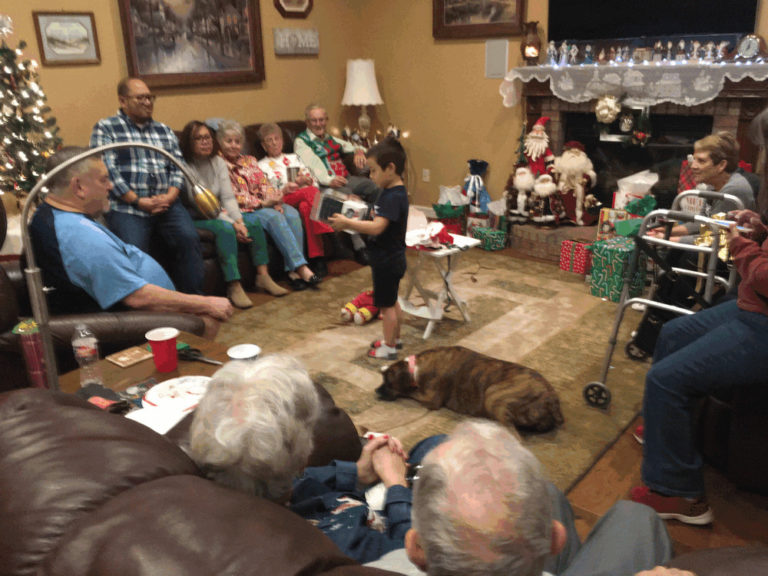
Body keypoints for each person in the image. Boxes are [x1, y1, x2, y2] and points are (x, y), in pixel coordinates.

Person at [630, 115, 768, 526]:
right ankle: (670, 435)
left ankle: (680, 493)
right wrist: (760, 231)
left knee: (663, 378)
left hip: (761, 318)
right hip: (751, 305)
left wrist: (743, 248)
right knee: (672, 332)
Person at [366, 419, 680, 576]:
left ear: (414, 547)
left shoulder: (380, 567)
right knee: (636, 516)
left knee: (546, 495)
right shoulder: (552, 534)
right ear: (555, 538)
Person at [188, 354, 415, 563]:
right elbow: (411, 559)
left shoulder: (238, 485)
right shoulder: (345, 544)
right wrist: (396, 485)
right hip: (395, 529)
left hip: (352, 500)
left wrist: (356, 473)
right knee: (433, 446)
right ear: (301, 459)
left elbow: (299, 482)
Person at [29, 147, 233, 339]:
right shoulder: (76, 233)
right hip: (124, 317)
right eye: (104, 180)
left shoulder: (58, 214)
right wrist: (205, 303)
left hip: (133, 306)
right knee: (207, 320)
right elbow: (136, 297)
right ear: (79, 187)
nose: (110, 186)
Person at [90, 77, 204, 295]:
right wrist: (137, 200)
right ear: (123, 101)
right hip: (128, 207)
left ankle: (194, 301)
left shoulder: (164, 130)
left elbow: (178, 167)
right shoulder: (106, 128)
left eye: (150, 97)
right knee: (133, 251)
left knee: (189, 239)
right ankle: (147, 312)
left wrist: (171, 196)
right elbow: (106, 171)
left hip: (167, 203)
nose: (147, 102)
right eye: (140, 97)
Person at [178, 120, 288, 306]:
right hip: (198, 217)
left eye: (207, 138)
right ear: (189, 142)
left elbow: (228, 197)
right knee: (225, 229)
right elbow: (204, 206)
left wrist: (239, 221)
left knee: (252, 222)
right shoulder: (184, 166)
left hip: (221, 211)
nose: (205, 142)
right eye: (199, 138)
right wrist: (233, 224)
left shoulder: (218, 161)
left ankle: (263, 276)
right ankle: (234, 284)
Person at [217, 120, 321, 291]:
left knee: (292, 214)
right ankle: (302, 267)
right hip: (244, 210)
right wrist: (264, 204)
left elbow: (263, 183)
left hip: (266, 203)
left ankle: (292, 272)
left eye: (237, 141)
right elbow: (232, 196)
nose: (234, 145)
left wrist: (275, 200)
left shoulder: (249, 160)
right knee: (274, 217)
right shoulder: (219, 164)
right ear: (220, 142)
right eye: (229, 141)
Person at [329, 138, 408, 360]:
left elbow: (377, 227)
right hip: (392, 258)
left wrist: (348, 223)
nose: (370, 176)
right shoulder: (392, 191)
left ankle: (389, 347)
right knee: (392, 301)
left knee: (386, 307)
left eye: (373, 171)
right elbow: (378, 217)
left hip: (387, 260)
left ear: (390, 169)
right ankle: (396, 339)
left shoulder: (393, 196)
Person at [256, 122, 334, 277]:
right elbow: (265, 192)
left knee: (306, 207)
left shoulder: (294, 158)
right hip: (283, 198)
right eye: (269, 141)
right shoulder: (260, 165)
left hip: (304, 196)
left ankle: (317, 259)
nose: (274, 143)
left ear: (282, 140)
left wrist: (306, 179)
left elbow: (313, 181)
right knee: (310, 193)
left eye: (276, 138)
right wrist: (284, 188)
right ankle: (328, 226)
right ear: (264, 146)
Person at [648, 132, 755, 243]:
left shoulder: (733, 190)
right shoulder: (712, 185)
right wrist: (666, 231)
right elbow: (703, 224)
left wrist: (667, 239)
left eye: (701, 161)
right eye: (694, 159)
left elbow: (716, 238)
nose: (693, 166)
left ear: (721, 165)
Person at [294, 103, 379, 203]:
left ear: (326, 120)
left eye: (321, 120)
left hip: (345, 179)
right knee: (348, 196)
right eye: (314, 120)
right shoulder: (302, 141)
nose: (318, 124)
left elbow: (350, 146)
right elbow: (313, 163)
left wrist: (359, 151)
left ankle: (379, 217)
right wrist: (328, 180)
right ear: (307, 122)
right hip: (324, 184)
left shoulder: (329, 138)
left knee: (372, 186)